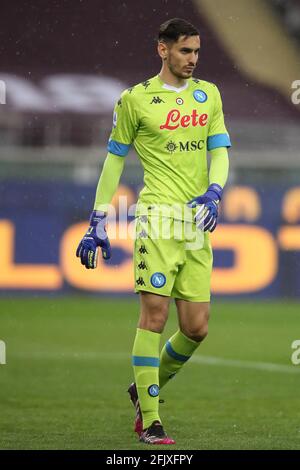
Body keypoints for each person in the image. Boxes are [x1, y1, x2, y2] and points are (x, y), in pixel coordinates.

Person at [76, 18, 231, 445]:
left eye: (197, 51)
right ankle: (151, 419)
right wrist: (98, 219)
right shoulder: (135, 100)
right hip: (156, 219)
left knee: (197, 327)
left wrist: (215, 191)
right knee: (155, 317)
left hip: (197, 223)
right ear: (162, 50)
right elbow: (114, 161)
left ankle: (142, 387)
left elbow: (219, 150)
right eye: (185, 51)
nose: (193, 59)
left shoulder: (209, 94)